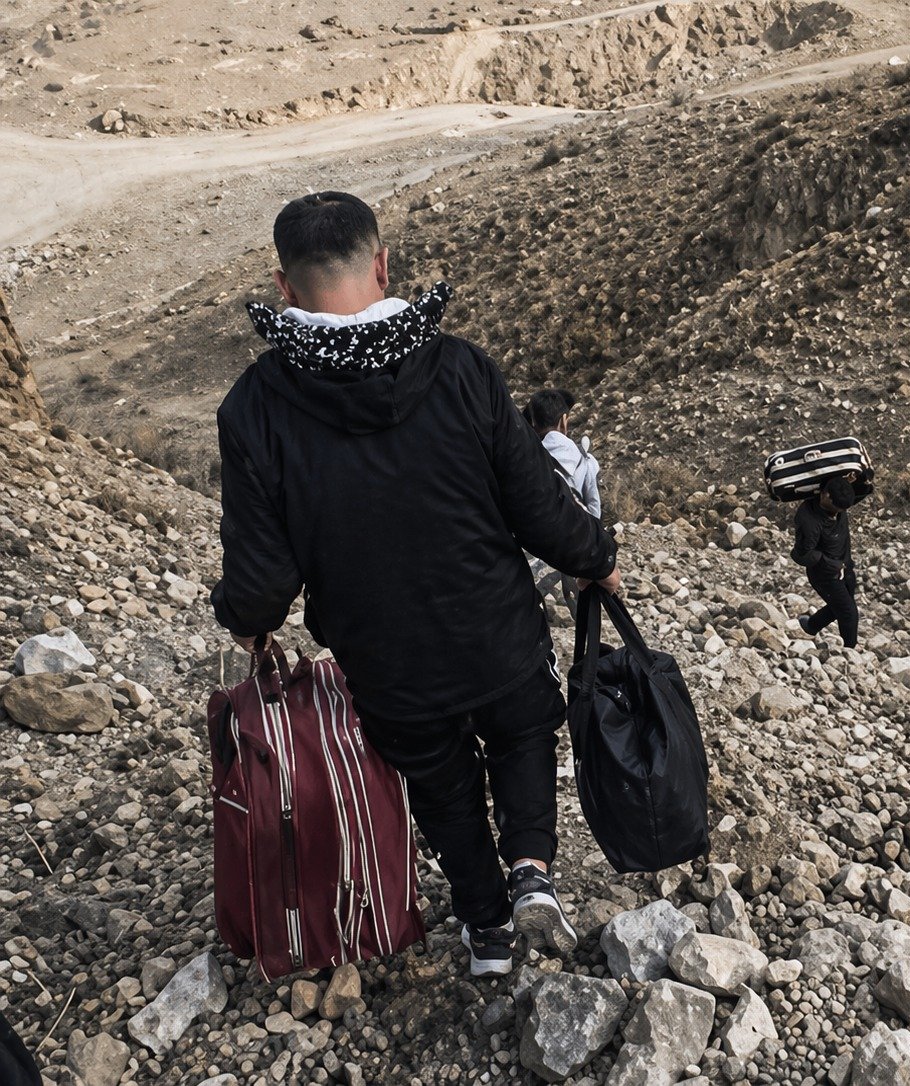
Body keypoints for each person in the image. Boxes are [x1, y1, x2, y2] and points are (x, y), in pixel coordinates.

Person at [210, 191, 620, 979]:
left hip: (387, 658)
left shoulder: (255, 407)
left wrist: (246, 615)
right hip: (496, 625)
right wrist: (596, 556)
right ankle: (532, 866)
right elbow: (536, 504)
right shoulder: (461, 368)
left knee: (439, 780)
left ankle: (487, 930)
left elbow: (264, 578)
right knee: (523, 728)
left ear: (285, 286)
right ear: (384, 264)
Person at [792, 476, 859, 649]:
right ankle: (850, 652)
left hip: (845, 564)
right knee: (848, 612)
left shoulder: (838, 498)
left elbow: (861, 491)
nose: (839, 512)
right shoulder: (809, 520)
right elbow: (801, 554)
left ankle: (811, 626)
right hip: (824, 575)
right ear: (825, 496)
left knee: (843, 604)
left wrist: (863, 479)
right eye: (838, 508)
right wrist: (827, 562)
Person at [523, 388, 601, 518]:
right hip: (577, 534)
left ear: (533, 423)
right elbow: (595, 512)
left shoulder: (525, 458)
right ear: (564, 421)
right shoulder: (586, 460)